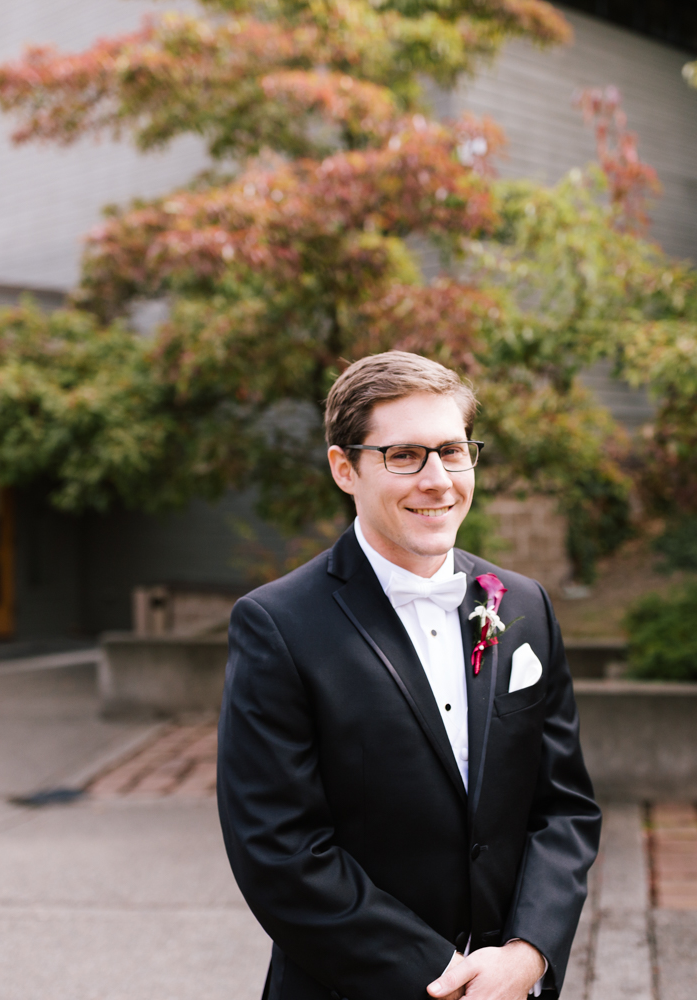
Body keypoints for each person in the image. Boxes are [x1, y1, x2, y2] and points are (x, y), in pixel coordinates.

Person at [217, 351, 602, 1000]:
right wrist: (439, 975)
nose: (439, 480)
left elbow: (563, 806)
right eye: (404, 456)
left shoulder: (523, 605)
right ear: (346, 468)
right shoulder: (276, 625)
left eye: (453, 450)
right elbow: (278, 851)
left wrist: (528, 953)